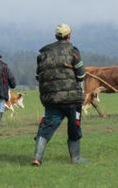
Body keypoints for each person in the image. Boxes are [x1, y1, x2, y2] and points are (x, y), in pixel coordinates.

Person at [31, 23, 88, 165]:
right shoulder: (73, 51)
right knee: (74, 128)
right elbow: (81, 76)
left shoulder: (43, 54)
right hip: (72, 101)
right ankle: (76, 159)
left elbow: (39, 76)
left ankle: (37, 158)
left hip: (51, 100)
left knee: (46, 128)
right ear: (69, 36)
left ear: (56, 36)